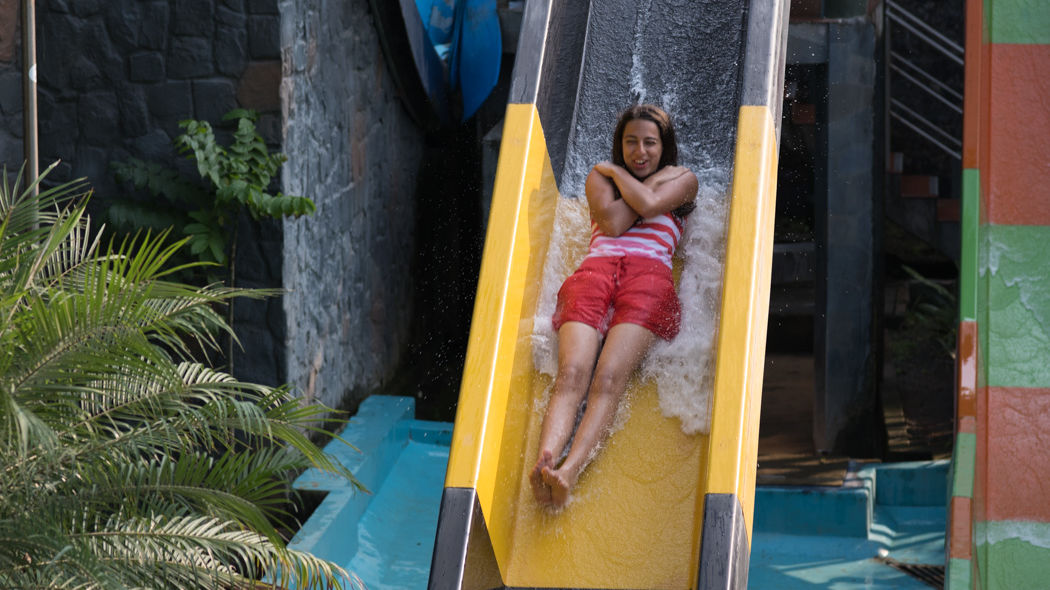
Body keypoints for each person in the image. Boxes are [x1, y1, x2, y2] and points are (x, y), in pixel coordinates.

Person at [529, 104, 698, 510]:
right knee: (572, 373)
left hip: (648, 280)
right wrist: (642, 192)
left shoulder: (683, 179)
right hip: (595, 274)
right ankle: (545, 463)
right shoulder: (596, 177)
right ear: (620, 143)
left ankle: (568, 473)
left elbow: (652, 208)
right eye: (630, 142)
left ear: (665, 146)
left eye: (649, 143)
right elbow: (614, 223)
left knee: (607, 378)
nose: (639, 151)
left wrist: (618, 173)